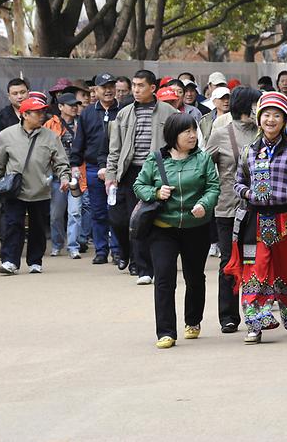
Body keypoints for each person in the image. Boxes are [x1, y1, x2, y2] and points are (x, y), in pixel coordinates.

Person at [226, 91, 287, 344]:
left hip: (286, 219)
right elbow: (238, 182)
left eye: (277, 115)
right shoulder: (248, 151)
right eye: (266, 115)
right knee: (257, 269)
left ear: (285, 120)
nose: (271, 120)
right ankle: (255, 323)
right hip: (256, 220)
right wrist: (249, 193)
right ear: (259, 118)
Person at [133, 113, 220, 349]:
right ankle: (166, 331)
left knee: (194, 277)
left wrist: (204, 204)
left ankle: (193, 321)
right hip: (163, 229)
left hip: (196, 228)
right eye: (187, 132)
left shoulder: (203, 159)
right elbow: (139, 185)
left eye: (194, 131)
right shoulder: (156, 160)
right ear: (174, 135)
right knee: (163, 278)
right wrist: (155, 193)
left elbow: (213, 186)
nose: (193, 135)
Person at [106, 70, 178, 283]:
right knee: (128, 220)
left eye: (140, 86)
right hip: (130, 173)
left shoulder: (169, 112)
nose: (136, 90)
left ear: (152, 88)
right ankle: (138, 264)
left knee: (154, 219)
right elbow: (115, 147)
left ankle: (149, 267)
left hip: (158, 172)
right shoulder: (124, 113)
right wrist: (111, 174)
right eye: (134, 85)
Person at [0, 97, 71, 275]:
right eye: (37, 112)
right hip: (14, 190)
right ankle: (10, 261)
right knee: (12, 225)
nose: (42, 115)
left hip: (40, 189)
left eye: (43, 112)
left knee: (38, 227)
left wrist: (64, 178)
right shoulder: (6, 135)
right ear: (25, 114)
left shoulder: (51, 136)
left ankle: (35, 261)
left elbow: (61, 162)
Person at [205, 87, 262, 334]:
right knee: (229, 261)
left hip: (259, 209)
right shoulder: (220, 133)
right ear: (246, 105)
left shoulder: (263, 132)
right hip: (227, 209)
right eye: (256, 103)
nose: (261, 108)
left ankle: (254, 311)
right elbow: (205, 168)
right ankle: (228, 316)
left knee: (255, 261)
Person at [69, 73, 120, 265]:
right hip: (91, 167)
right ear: (95, 91)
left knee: (115, 211)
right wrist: (75, 163)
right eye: (103, 87)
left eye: (111, 86)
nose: (108, 90)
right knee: (98, 212)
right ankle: (101, 250)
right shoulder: (88, 113)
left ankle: (117, 250)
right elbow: (79, 141)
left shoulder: (123, 110)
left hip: (116, 168)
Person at [44, 93, 86, 259]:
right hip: (56, 175)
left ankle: (73, 246)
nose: (74, 107)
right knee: (56, 214)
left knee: (75, 212)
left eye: (76, 104)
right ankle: (57, 243)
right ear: (60, 107)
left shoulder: (81, 124)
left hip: (77, 174)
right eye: (70, 105)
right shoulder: (49, 125)